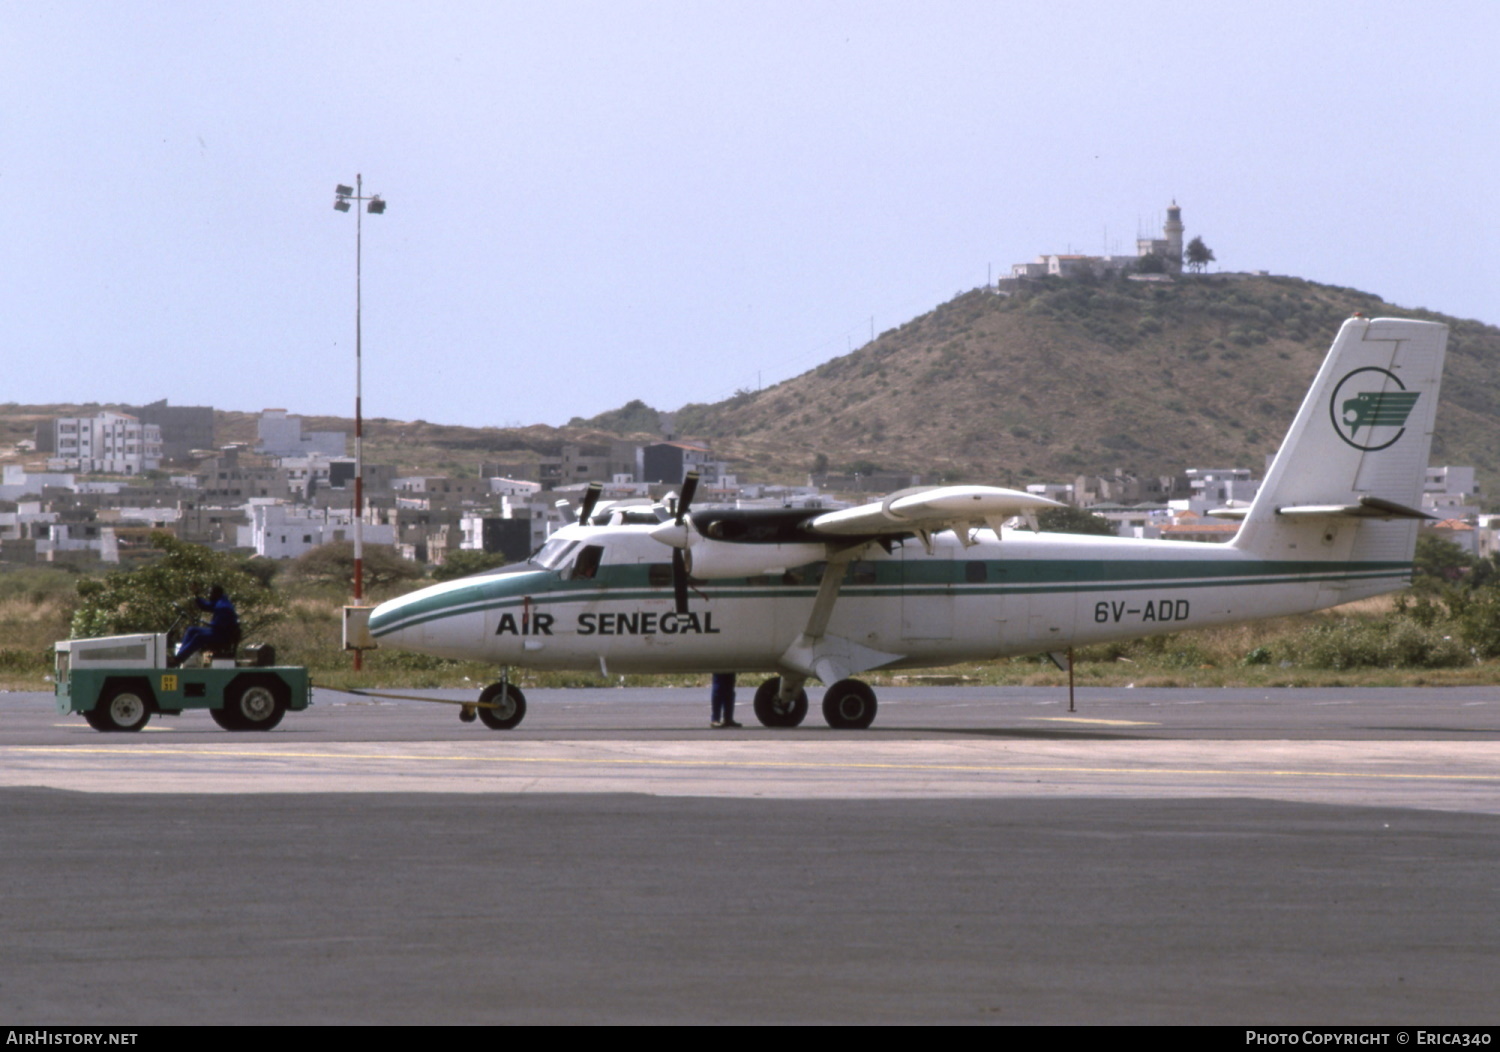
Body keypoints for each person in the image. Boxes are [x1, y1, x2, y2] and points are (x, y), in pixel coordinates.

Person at [171, 584, 240, 667]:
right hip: (218, 631)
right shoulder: (219, 601)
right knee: (191, 630)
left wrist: (205, 622)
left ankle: (178, 659)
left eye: (210, 593)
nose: (208, 595)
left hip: (223, 635)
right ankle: (179, 656)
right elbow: (206, 606)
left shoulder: (223, 607)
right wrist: (196, 596)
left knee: (199, 637)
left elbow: (220, 626)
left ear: (216, 594)